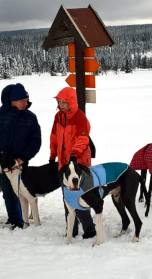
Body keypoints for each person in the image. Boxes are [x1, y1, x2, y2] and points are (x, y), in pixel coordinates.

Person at [0, 83, 41, 230]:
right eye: (22, 101)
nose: (26, 103)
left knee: (21, 192)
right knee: (7, 192)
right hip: (1, 164)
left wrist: (23, 158)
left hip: (20, 164)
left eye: (27, 100)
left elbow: (35, 142)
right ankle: (13, 219)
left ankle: (22, 220)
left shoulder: (31, 118)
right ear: (13, 101)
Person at [50, 87, 96, 239]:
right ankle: (72, 229)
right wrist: (52, 155)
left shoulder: (79, 117)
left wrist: (75, 154)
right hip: (64, 165)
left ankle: (89, 230)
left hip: (79, 163)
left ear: (71, 102)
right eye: (60, 102)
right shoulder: (58, 117)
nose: (61, 105)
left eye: (64, 102)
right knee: (67, 198)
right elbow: (54, 137)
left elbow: (83, 138)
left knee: (81, 198)